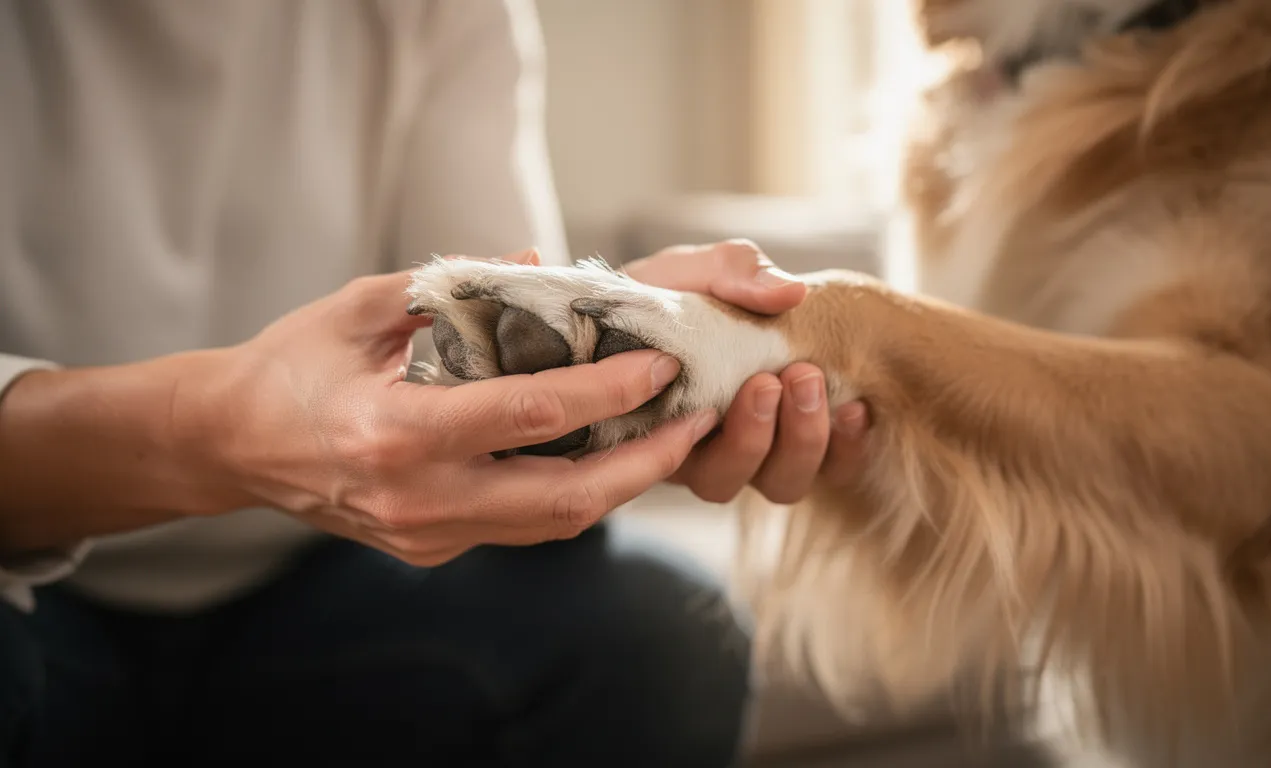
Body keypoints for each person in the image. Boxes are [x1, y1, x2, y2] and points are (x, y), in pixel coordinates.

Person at [0, 1, 870, 766]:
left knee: (656, 634)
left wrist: (624, 349)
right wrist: (223, 432)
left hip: (323, 591)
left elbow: (491, 336)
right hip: (28, 605)